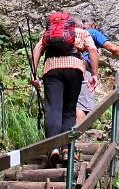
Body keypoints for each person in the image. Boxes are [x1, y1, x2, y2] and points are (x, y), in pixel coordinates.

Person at [30, 17, 99, 162]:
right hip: (74, 70)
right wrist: (94, 74)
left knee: (53, 109)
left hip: (52, 70)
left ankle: (53, 148)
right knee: (69, 110)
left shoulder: (49, 34)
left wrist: (33, 73)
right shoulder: (81, 33)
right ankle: (67, 149)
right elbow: (92, 49)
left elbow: (38, 49)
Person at [76, 21, 119, 122]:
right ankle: (76, 136)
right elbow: (111, 47)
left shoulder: (70, 34)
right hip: (83, 69)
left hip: (62, 69)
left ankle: (62, 135)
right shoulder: (92, 32)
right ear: (93, 24)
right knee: (82, 105)